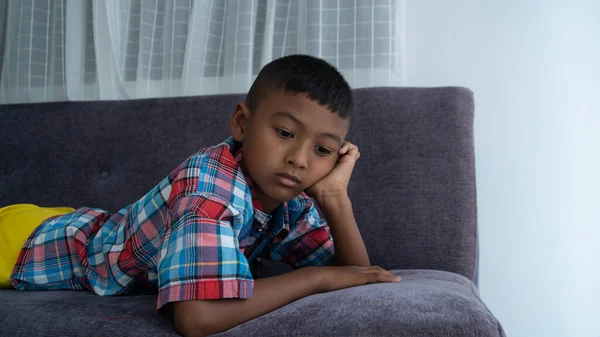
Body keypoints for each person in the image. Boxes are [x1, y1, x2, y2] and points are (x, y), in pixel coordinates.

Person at [0, 54, 400, 337]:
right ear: (242, 123)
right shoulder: (209, 185)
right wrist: (316, 278)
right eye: (284, 133)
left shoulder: (291, 204)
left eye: (323, 150)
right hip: (31, 243)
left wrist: (334, 197)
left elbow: (359, 277)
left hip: (83, 223)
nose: (298, 159)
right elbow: (197, 317)